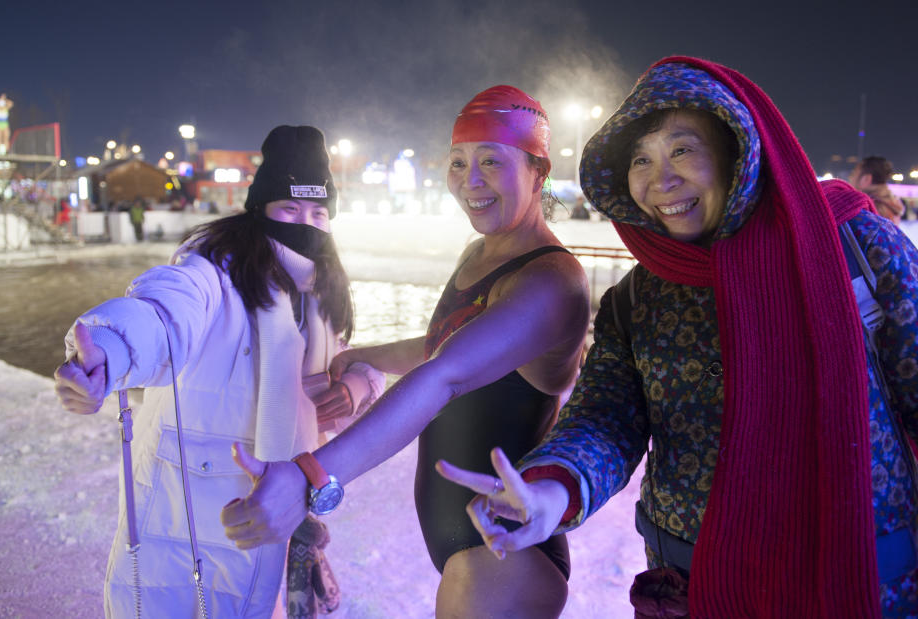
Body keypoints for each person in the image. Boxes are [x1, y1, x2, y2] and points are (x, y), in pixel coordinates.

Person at [438, 57, 918, 618]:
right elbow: (605, 418)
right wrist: (553, 489)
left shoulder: (852, 248)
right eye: (640, 159)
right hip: (689, 587)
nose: (659, 180)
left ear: (738, 151)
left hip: (863, 579)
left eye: (682, 150)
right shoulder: (640, 298)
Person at [221, 86, 591, 618]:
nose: (471, 180)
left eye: (492, 160)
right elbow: (448, 343)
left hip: (505, 553)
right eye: (459, 162)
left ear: (538, 170)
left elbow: (447, 375)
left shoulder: (552, 280)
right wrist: (369, 355)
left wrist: (311, 475)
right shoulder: (480, 254)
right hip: (469, 545)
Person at [53, 125, 384, 618]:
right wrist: (110, 350)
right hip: (189, 510)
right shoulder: (214, 268)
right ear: (261, 209)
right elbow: (164, 312)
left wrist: (357, 385)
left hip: (279, 504)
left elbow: (337, 359)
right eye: (289, 209)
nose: (305, 224)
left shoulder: (320, 286)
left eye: (318, 213)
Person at [851, 155, 907, 225]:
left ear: (866, 179)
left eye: (854, 174)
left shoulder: (869, 208)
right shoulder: (891, 203)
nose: (851, 178)